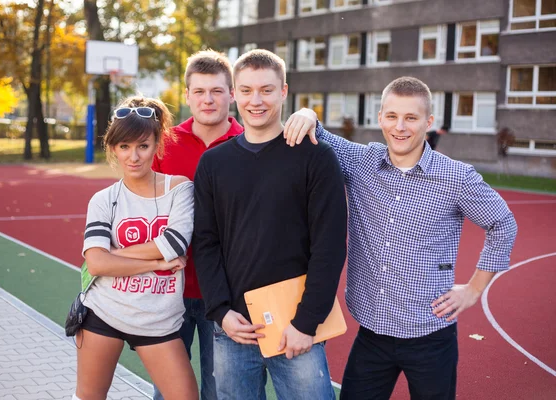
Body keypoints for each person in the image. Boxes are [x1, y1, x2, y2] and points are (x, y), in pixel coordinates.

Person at [285, 76, 518, 400]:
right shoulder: (361, 161)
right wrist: (308, 113)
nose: (400, 127)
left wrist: (474, 289)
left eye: (411, 118)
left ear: (429, 122)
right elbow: (317, 132)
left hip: (430, 336)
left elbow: (503, 224)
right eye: (392, 116)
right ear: (380, 118)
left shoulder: (456, 177)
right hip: (372, 335)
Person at [151, 49, 319, 400]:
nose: (208, 100)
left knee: (219, 392)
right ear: (187, 96)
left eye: (216, 91)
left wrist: (309, 115)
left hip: (228, 295)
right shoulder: (166, 144)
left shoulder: (255, 141)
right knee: (168, 392)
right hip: (171, 290)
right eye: (199, 92)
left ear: (231, 93)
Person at [192, 49, 347, 400]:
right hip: (234, 329)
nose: (255, 100)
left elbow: (330, 245)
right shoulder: (213, 164)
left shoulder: (314, 155)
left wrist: (306, 322)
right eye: (246, 90)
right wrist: (220, 311)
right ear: (234, 94)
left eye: (266, 90)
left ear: (284, 91)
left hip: (295, 327)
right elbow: (205, 242)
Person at [75, 96, 198, 400]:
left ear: (157, 145)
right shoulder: (103, 200)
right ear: (113, 148)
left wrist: (112, 254)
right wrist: (157, 262)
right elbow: (98, 266)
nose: (134, 157)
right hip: (103, 313)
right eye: (124, 146)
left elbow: (174, 243)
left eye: (143, 146)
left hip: (158, 320)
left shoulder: (179, 189)